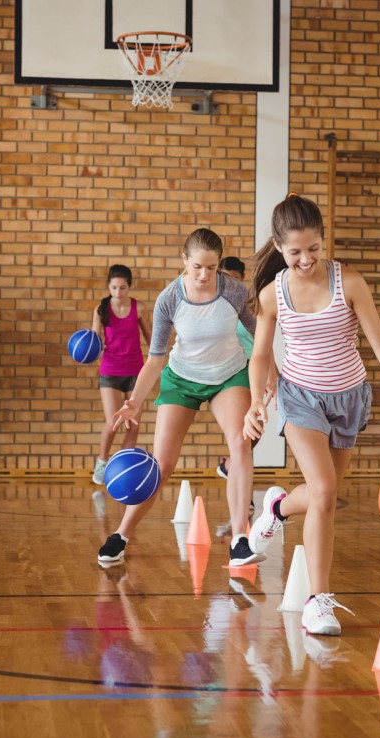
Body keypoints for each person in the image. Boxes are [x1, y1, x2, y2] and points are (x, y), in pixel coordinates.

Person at [244, 194, 380, 636]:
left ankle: (277, 507)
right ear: (279, 247)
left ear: (323, 240)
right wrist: (257, 401)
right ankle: (318, 601)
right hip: (301, 398)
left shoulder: (349, 282)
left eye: (314, 248)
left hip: (350, 397)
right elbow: (260, 355)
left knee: (326, 496)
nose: (306, 259)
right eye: (295, 251)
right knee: (322, 489)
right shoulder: (271, 294)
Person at [97, 228, 273, 567]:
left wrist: (272, 373)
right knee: (161, 466)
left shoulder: (233, 291)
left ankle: (239, 539)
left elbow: (258, 334)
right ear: (184, 261)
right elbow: (155, 360)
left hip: (228, 375)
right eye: (197, 267)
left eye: (211, 267)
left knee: (240, 443)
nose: (204, 274)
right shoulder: (169, 299)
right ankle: (120, 535)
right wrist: (136, 399)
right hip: (180, 379)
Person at [90, 264, 151, 485]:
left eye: (122, 288)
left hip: (136, 372)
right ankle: (102, 462)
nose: (118, 293)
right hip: (110, 371)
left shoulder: (140, 309)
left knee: (133, 424)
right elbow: (93, 342)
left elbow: (151, 340)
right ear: (108, 286)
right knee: (113, 421)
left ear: (129, 287)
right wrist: (86, 351)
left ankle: (122, 467)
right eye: (114, 288)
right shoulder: (101, 310)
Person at [214, 256, 262, 480]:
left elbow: (262, 341)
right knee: (242, 433)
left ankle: (230, 465)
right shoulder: (216, 306)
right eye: (226, 277)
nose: (231, 282)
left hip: (255, 369)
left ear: (242, 279)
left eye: (235, 278)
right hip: (233, 372)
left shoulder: (250, 304)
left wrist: (273, 373)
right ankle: (244, 491)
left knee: (256, 430)